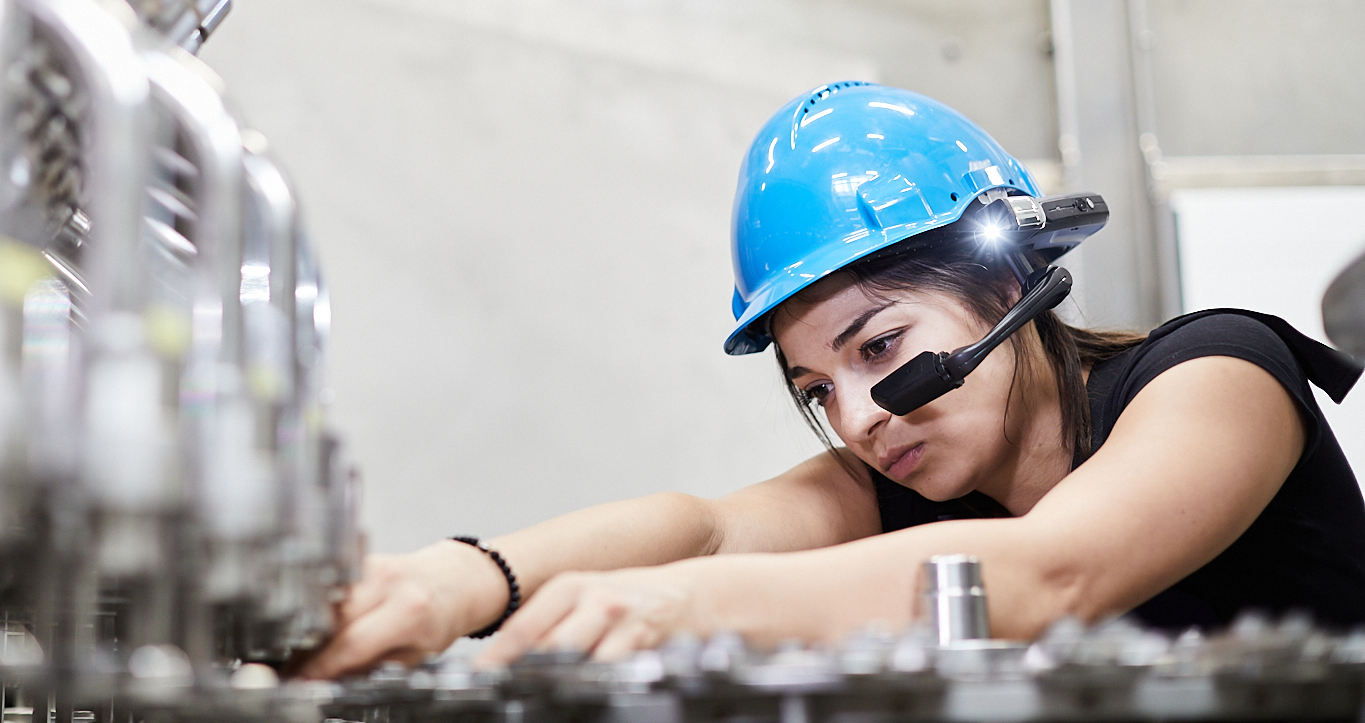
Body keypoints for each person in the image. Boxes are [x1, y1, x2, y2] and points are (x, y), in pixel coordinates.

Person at [302, 81, 1365, 678]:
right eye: (814, 387)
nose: (856, 418)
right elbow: (704, 528)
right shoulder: (919, 477)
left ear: (1007, 280)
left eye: (878, 346)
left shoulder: (1220, 372)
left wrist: (669, 607)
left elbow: (1053, 573)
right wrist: (459, 580)